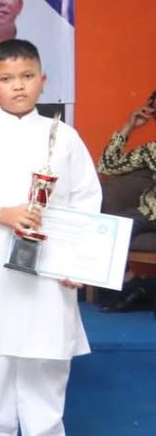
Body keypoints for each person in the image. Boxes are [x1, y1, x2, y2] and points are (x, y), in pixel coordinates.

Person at [0, 39, 101, 436]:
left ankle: (45, 430)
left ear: (43, 81)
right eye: (7, 78)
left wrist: (80, 261)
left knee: (46, 360)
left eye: (27, 76)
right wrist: (1, 213)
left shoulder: (65, 137)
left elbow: (86, 199)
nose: (18, 86)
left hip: (51, 266)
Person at [96, 92, 156, 312]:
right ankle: (133, 287)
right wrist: (129, 126)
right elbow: (107, 166)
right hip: (150, 212)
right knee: (105, 229)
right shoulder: (152, 150)